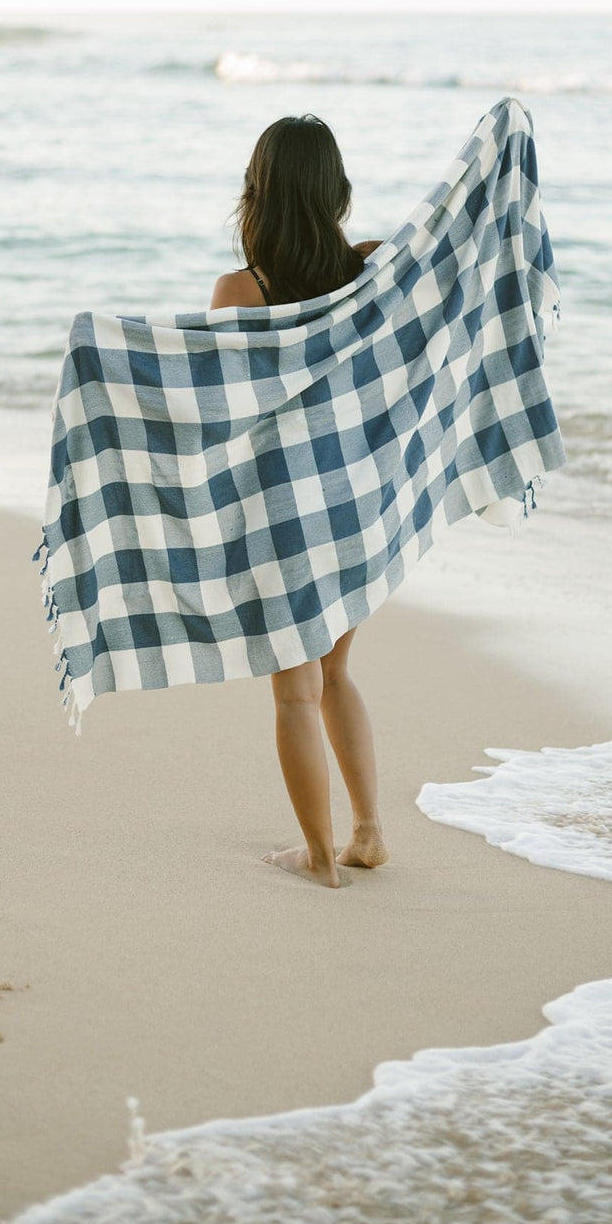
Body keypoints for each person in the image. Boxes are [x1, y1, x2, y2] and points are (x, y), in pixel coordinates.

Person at [210, 113, 389, 889]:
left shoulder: (240, 291)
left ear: (259, 191)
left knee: (294, 691)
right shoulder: (375, 270)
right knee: (337, 675)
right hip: (360, 504)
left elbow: (220, 412)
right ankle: (369, 833)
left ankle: (319, 859)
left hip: (286, 515)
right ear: (336, 191)